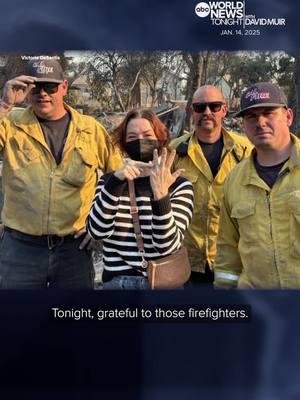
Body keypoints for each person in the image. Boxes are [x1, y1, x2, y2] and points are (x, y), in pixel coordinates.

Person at [0, 57, 123, 289]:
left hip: (73, 250)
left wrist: (97, 226)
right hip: (20, 250)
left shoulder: (91, 130)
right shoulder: (10, 124)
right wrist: (5, 105)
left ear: (64, 87)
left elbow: (117, 177)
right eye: (35, 87)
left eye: (50, 87)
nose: (42, 94)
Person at [87, 109, 194, 290]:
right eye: (132, 137)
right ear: (123, 143)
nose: (140, 141)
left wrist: (160, 194)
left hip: (164, 284)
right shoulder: (109, 182)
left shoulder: (179, 185)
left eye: (147, 134)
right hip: (118, 283)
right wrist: (115, 182)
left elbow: (166, 246)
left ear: (160, 139)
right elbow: (96, 231)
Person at [214, 82, 300, 289]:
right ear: (244, 124)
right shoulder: (235, 180)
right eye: (251, 116)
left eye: (268, 113)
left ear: (288, 117)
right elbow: (228, 250)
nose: (260, 122)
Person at [169, 85, 252, 286]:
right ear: (191, 112)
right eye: (200, 107)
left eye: (214, 106)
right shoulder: (174, 151)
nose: (207, 112)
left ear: (224, 110)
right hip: (187, 261)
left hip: (232, 260)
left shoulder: (246, 152)